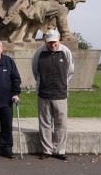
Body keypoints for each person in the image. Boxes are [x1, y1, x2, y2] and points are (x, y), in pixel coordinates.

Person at [31, 29, 74, 160]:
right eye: (49, 42)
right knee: (45, 123)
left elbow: (70, 71)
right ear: (45, 41)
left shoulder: (66, 52)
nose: (52, 44)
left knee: (61, 123)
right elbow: (35, 70)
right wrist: (41, 84)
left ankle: (60, 150)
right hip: (44, 93)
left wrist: (63, 84)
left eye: (54, 42)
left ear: (58, 40)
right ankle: (47, 150)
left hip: (60, 93)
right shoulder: (39, 53)